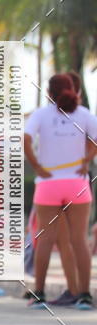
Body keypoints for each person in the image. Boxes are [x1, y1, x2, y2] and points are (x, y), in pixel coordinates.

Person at [24, 74, 97, 309]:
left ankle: (39, 294)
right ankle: (84, 296)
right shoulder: (84, 114)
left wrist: (36, 165)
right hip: (77, 184)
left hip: (48, 184)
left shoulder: (42, 114)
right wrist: (86, 160)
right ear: (73, 90)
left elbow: (25, 139)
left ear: (49, 92)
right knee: (79, 240)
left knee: (45, 239)